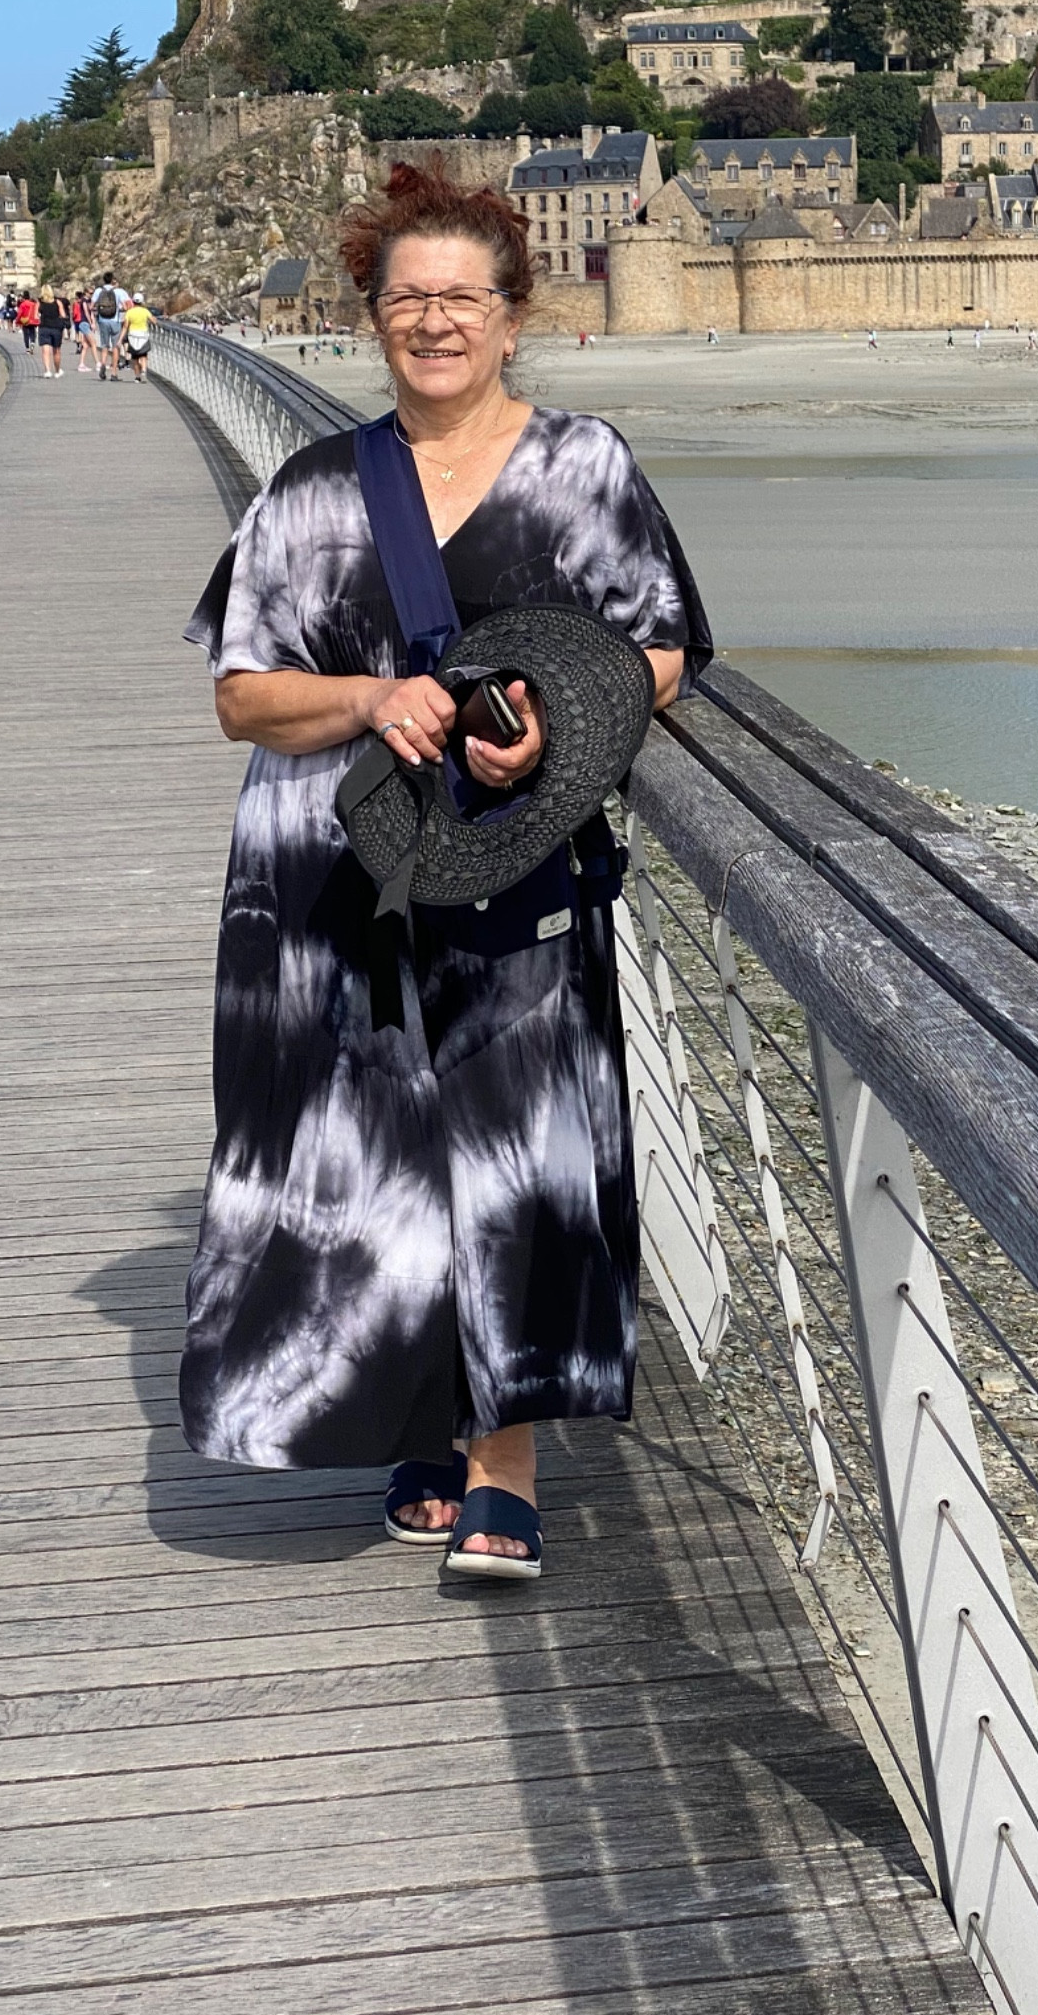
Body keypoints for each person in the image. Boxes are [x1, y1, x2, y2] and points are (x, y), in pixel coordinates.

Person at [181, 160, 709, 1579]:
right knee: (369, 1158)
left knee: (515, 1143)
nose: (434, 321)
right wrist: (365, 700)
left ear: (514, 314)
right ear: (372, 316)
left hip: (514, 859)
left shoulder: (583, 467)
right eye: (407, 298)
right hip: (328, 877)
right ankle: (417, 1414)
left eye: (460, 298)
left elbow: (661, 648)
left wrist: (551, 717)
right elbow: (243, 694)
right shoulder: (308, 493)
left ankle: (506, 1462)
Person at [92, 274, 126, 378]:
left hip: (102, 321)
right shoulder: (118, 291)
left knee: (104, 346)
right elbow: (125, 306)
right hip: (115, 321)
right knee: (115, 346)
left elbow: (91, 306)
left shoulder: (98, 291)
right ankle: (114, 372)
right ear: (112, 281)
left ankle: (103, 363)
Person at [122, 292, 154, 382]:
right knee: (143, 355)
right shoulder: (145, 311)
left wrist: (121, 338)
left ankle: (137, 377)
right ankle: (143, 369)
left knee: (135, 358)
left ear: (133, 301)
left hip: (132, 335)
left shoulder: (129, 312)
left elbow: (125, 326)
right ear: (142, 301)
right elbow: (153, 321)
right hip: (143, 335)